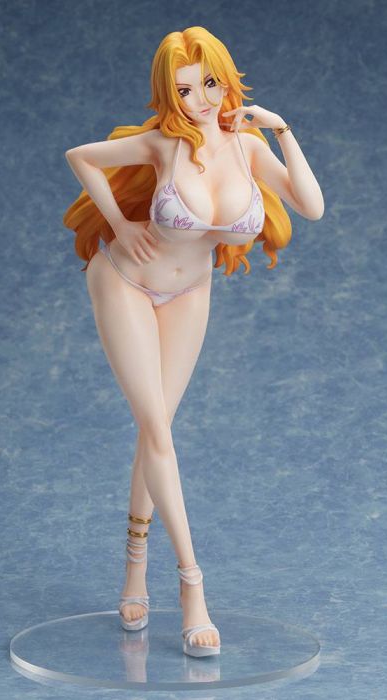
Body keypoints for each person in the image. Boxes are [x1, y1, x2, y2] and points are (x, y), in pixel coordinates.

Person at [63, 25, 323, 657]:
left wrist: (282, 131)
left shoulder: (248, 148)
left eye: (209, 84)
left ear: (227, 80)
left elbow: (311, 206)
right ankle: (191, 585)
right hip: (126, 282)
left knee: (158, 428)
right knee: (156, 430)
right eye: (184, 90)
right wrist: (120, 224)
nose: (201, 100)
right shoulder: (162, 145)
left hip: (190, 293)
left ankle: (133, 569)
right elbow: (80, 156)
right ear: (168, 94)